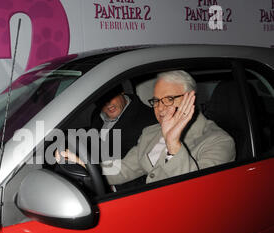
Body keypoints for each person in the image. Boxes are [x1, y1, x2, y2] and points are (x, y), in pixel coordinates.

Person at [58, 70, 236, 186]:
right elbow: (125, 169)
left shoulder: (219, 141)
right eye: (157, 101)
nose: (160, 107)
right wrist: (85, 166)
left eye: (169, 99)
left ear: (191, 99)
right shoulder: (150, 132)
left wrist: (173, 144)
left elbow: (199, 194)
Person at [91, 85, 156, 159]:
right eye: (101, 100)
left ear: (122, 93)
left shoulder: (148, 121)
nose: (107, 103)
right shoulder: (97, 114)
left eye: (110, 96)